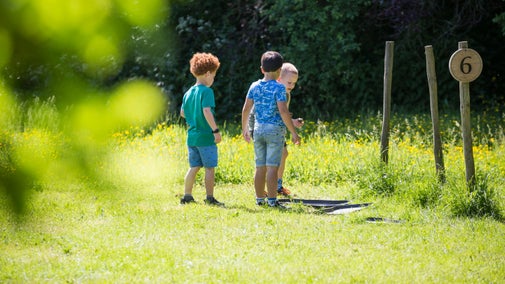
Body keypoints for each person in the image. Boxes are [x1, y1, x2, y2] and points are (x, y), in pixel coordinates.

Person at [241, 51, 301, 208]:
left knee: (259, 167)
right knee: (273, 168)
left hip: (258, 130)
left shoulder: (254, 86)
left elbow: (246, 109)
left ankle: (259, 199)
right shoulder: (279, 88)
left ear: (262, 69)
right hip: (274, 132)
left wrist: (245, 129)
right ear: (279, 71)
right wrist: (294, 133)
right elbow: (283, 111)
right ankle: (273, 201)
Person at [180, 52, 224, 206]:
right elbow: (207, 111)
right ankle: (210, 198)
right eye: (213, 76)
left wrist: (194, 117)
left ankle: (187, 196)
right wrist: (215, 130)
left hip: (192, 137)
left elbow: (183, 113)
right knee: (209, 168)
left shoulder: (188, 93)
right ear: (207, 74)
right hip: (205, 136)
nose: (213, 79)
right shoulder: (207, 91)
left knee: (194, 167)